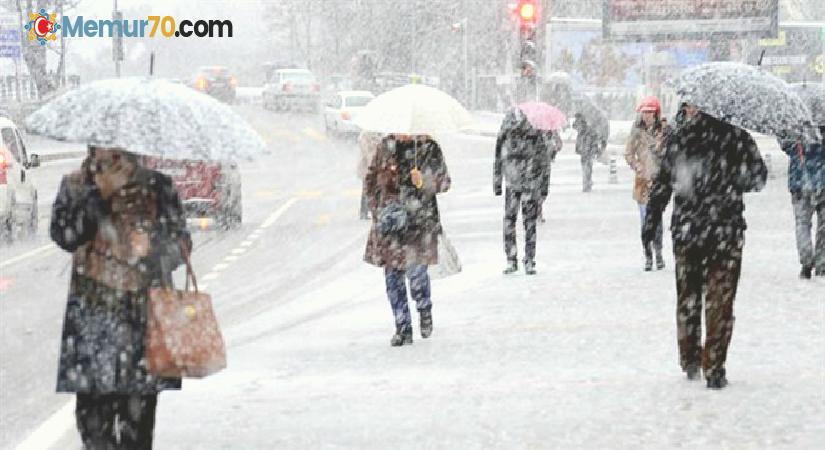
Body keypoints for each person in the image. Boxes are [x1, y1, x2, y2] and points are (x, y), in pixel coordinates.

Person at [50, 146, 191, 448]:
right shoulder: (76, 186)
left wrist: (149, 250)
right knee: (94, 434)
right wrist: (97, 198)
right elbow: (65, 236)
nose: (109, 150)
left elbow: (181, 245)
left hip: (141, 325)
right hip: (91, 326)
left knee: (136, 435)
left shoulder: (157, 186)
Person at [643, 104, 767, 389]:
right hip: (725, 230)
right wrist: (732, 178)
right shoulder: (738, 137)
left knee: (688, 296)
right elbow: (758, 179)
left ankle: (689, 358)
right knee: (720, 301)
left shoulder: (681, 137)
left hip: (688, 231)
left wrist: (652, 219)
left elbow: (663, 181)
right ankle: (714, 366)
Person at [364, 134, 450, 346]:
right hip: (391, 225)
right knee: (393, 277)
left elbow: (444, 182)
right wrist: (378, 208)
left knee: (417, 273)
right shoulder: (385, 147)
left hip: (419, 225)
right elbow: (371, 181)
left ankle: (424, 309)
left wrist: (424, 182)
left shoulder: (428, 146)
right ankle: (402, 326)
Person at [494, 108, 550, 275]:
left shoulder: (505, 133)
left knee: (510, 221)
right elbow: (544, 162)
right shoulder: (534, 133)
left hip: (512, 183)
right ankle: (529, 260)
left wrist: (497, 183)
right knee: (529, 223)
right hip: (529, 184)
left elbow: (497, 160)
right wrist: (544, 188)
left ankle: (511, 259)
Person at [625, 96, 670, 271]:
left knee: (657, 220)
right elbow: (628, 153)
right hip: (642, 182)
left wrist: (661, 154)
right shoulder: (636, 131)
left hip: (659, 182)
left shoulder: (664, 131)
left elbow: (670, 153)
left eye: (650, 113)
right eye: (644, 113)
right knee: (646, 220)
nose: (647, 116)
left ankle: (658, 252)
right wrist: (637, 166)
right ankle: (648, 254)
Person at [779, 123, 825, 279]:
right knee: (823, 226)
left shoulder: (793, 121)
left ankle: (806, 262)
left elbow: (785, 145)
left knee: (802, 223)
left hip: (800, 180)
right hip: (823, 180)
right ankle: (822, 263)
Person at [572, 105, 608, 193]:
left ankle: (586, 183)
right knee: (587, 166)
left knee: (586, 166)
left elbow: (592, 138)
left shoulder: (587, 128)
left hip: (587, 149)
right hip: (587, 149)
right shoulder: (587, 127)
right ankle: (587, 182)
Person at [357, 131, 383, 220]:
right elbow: (369, 154)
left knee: (371, 188)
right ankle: (365, 211)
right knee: (368, 189)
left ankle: (367, 210)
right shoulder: (367, 136)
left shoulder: (375, 135)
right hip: (367, 168)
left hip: (371, 167)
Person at [538, 130, 562, 223]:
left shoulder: (552, 131)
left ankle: (538, 206)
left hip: (545, 167)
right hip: (534, 167)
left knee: (544, 191)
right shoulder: (530, 131)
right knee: (537, 190)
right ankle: (538, 210)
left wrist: (554, 149)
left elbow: (559, 145)